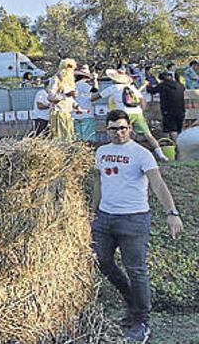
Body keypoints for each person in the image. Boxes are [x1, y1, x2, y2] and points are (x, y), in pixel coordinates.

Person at [90, 109, 183, 342]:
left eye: (123, 128)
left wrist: (172, 212)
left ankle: (142, 320)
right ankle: (132, 302)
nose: (119, 132)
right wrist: (93, 212)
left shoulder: (141, 154)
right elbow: (99, 183)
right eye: (113, 128)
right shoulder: (102, 152)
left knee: (136, 269)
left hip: (133, 219)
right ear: (106, 129)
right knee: (102, 261)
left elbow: (158, 185)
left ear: (129, 128)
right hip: (105, 218)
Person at [93, 68, 168, 162]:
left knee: (121, 134)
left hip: (124, 114)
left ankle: (124, 155)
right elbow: (142, 100)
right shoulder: (131, 87)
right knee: (148, 135)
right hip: (137, 113)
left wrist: (88, 98)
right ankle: (161, 155)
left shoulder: (114, 87)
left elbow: (96, 97)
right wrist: (142, 111)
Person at [148, 72, 186, 143]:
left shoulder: (163, 85)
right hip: (181, 110)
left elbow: (151, 91)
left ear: (162, 79)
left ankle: (175, 146)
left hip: (168, 111)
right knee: (178, 129)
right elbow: (183, 89)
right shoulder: (180, 85)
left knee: (171, 129)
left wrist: (148, 84)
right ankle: (180, 144)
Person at [47, 59, 78, 140]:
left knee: (69, 137)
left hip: (68, 113)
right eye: (68, 67)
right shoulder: (56, 79)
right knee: (59, 138)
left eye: (72, 68)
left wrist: (75, 105)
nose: (70, 70)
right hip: (58, 112)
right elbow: (51, 96)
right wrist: (64, 95)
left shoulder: (69, 81)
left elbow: (70, 98)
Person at [73, 69, 96, 142]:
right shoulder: (84, 85)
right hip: (86, 114)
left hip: (74, 114)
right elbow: (95, 90)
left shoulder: (73, 85)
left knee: (77, 137)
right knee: (88, 137)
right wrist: (95, 80)